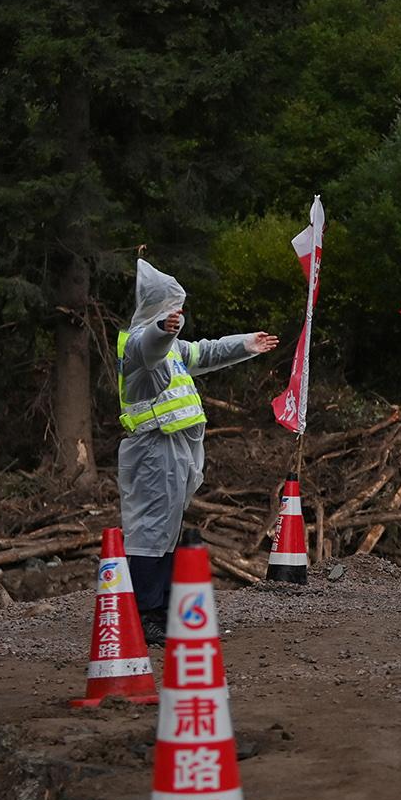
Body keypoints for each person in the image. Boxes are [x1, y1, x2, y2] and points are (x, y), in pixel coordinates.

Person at [117, 260, 278, 642]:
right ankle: (146, 613)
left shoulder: (175, 349)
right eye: (172, 306)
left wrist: (245, 344)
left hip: (174, 449)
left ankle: (161, 609)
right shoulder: (138, 343)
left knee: (166, 530)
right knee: (151, 531)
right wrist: (162, 328)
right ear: (158, 308)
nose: (179, 313)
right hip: (154, 448)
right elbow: (150, 346)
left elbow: (205, 353)